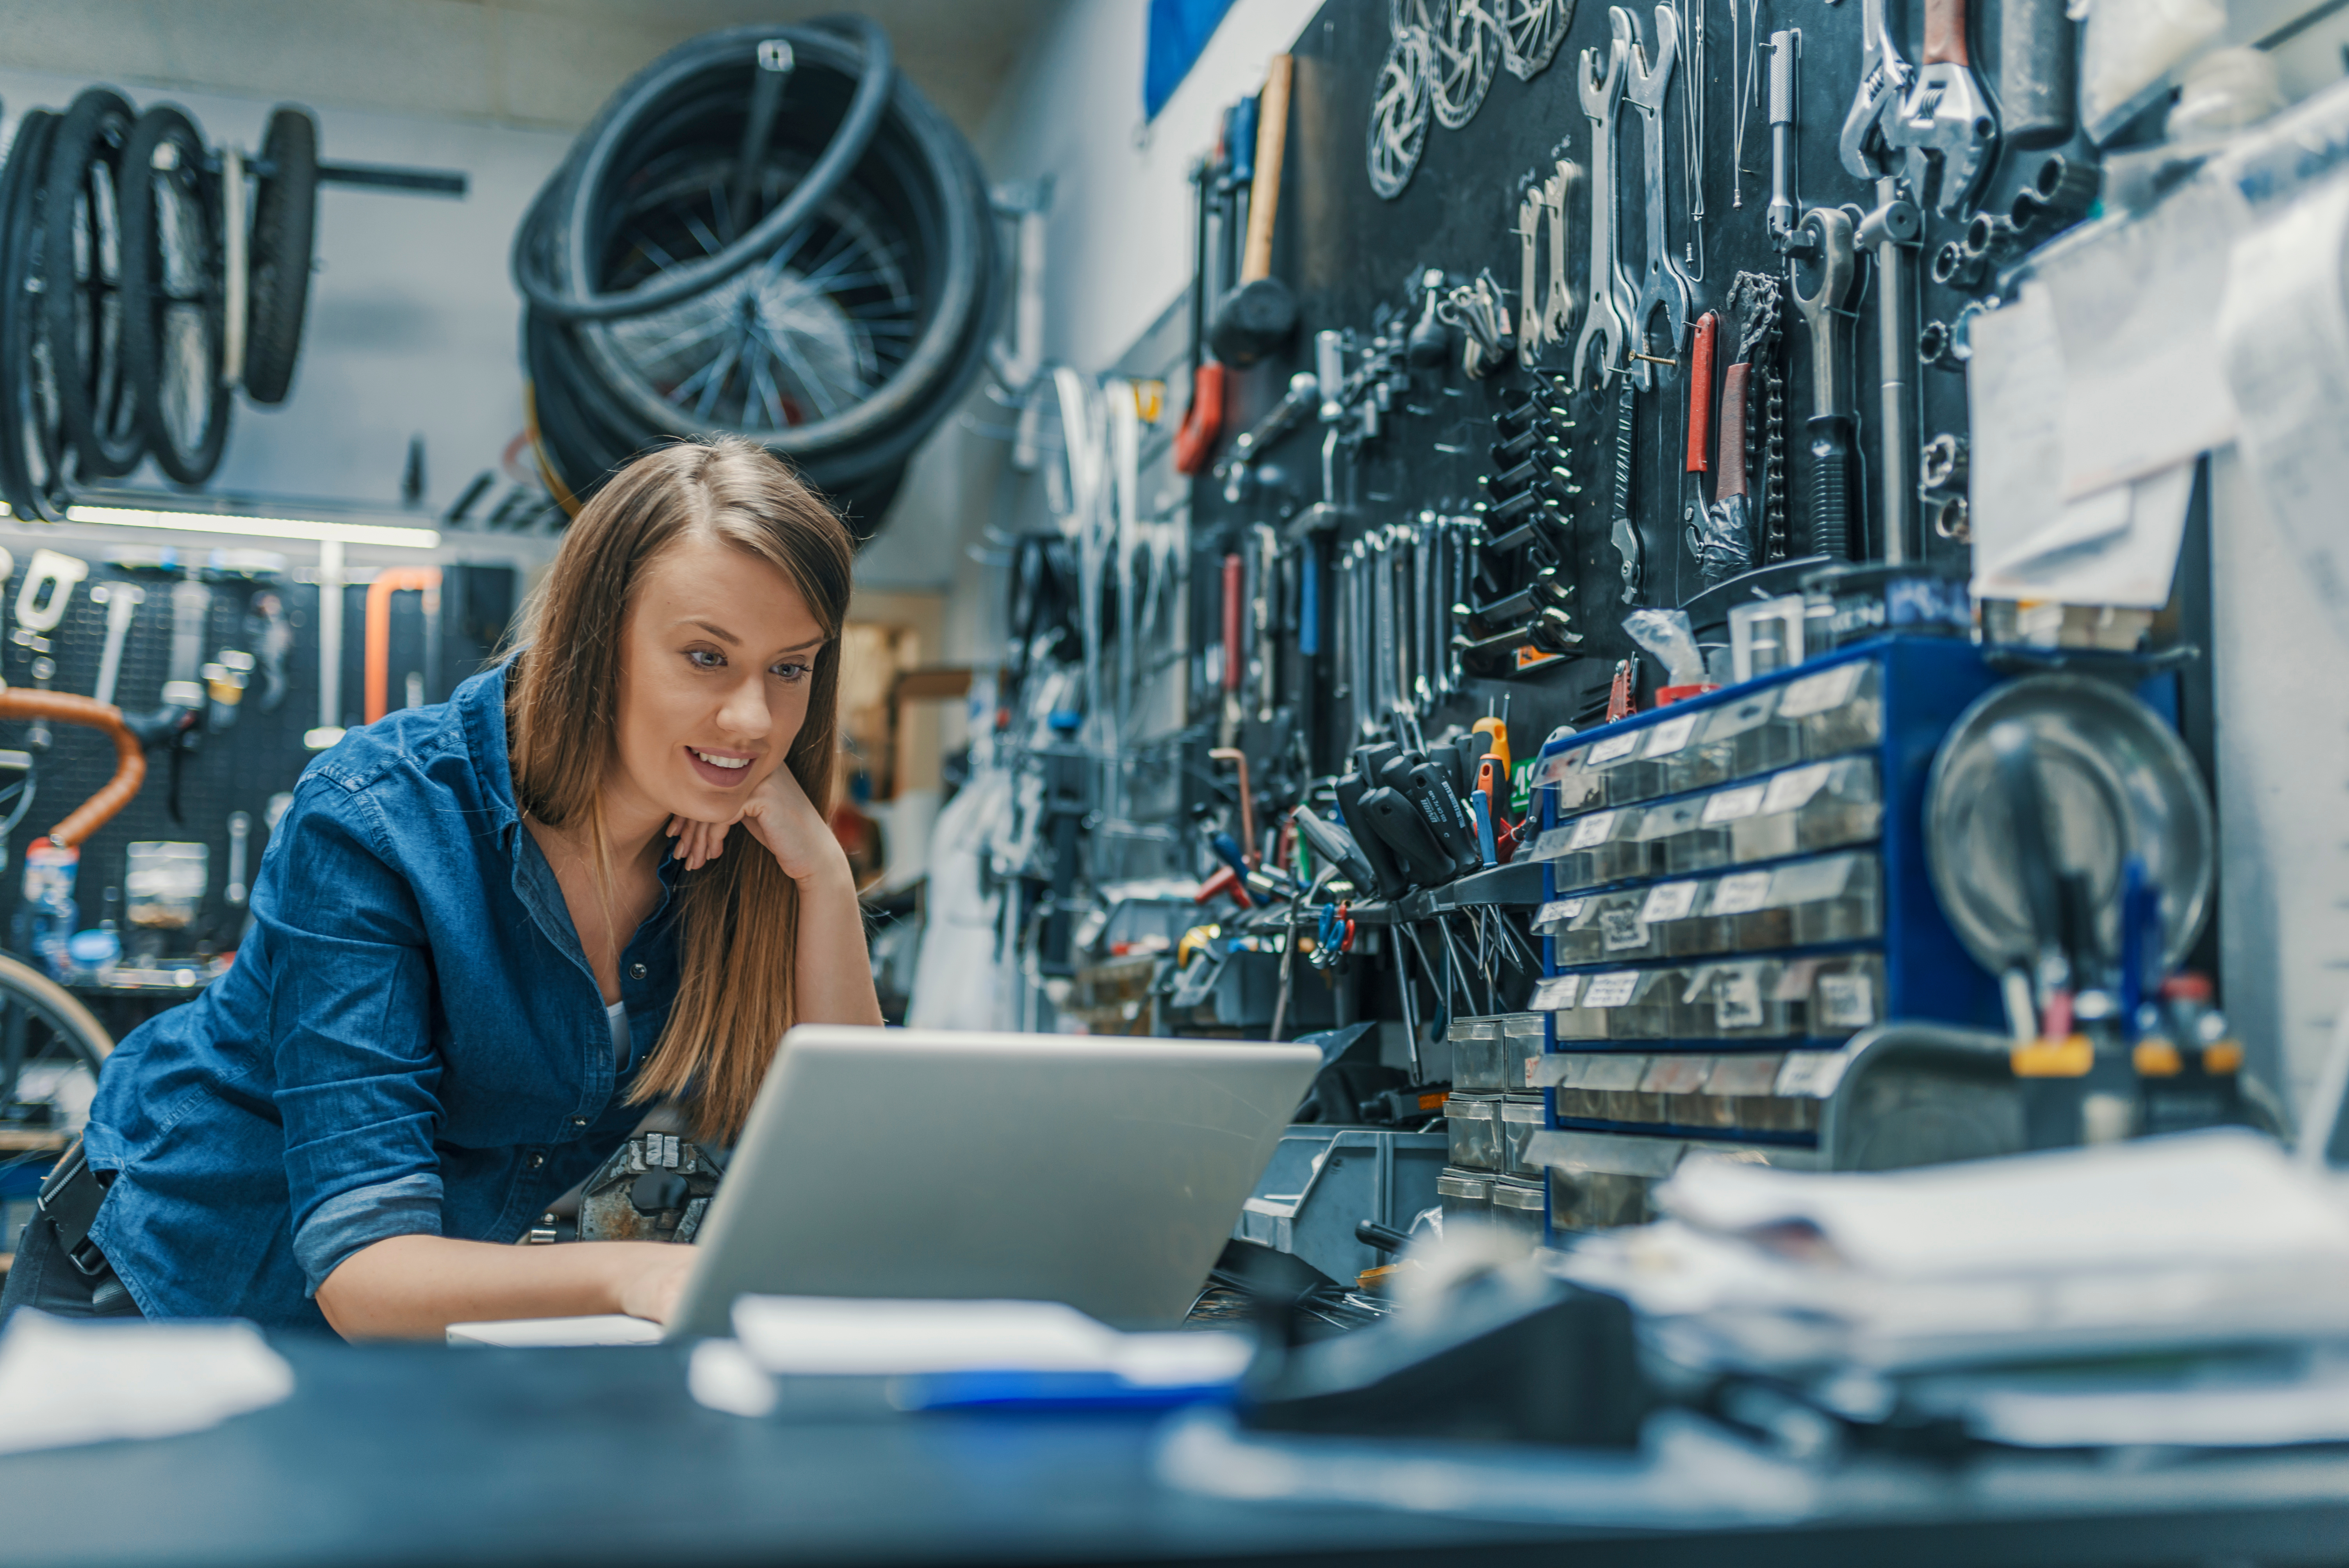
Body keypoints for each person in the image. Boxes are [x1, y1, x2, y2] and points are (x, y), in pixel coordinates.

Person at [0, 437, 883, 1338]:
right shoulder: (377, 818)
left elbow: (856, 1163)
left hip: (389, 1343)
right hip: (158, 1297)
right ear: (596, 642)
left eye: (789, 667)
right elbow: (365, 1267)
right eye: (706, 657)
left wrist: (822, 874)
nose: (752, 719)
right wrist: (641, 1274)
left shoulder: (732, 841)